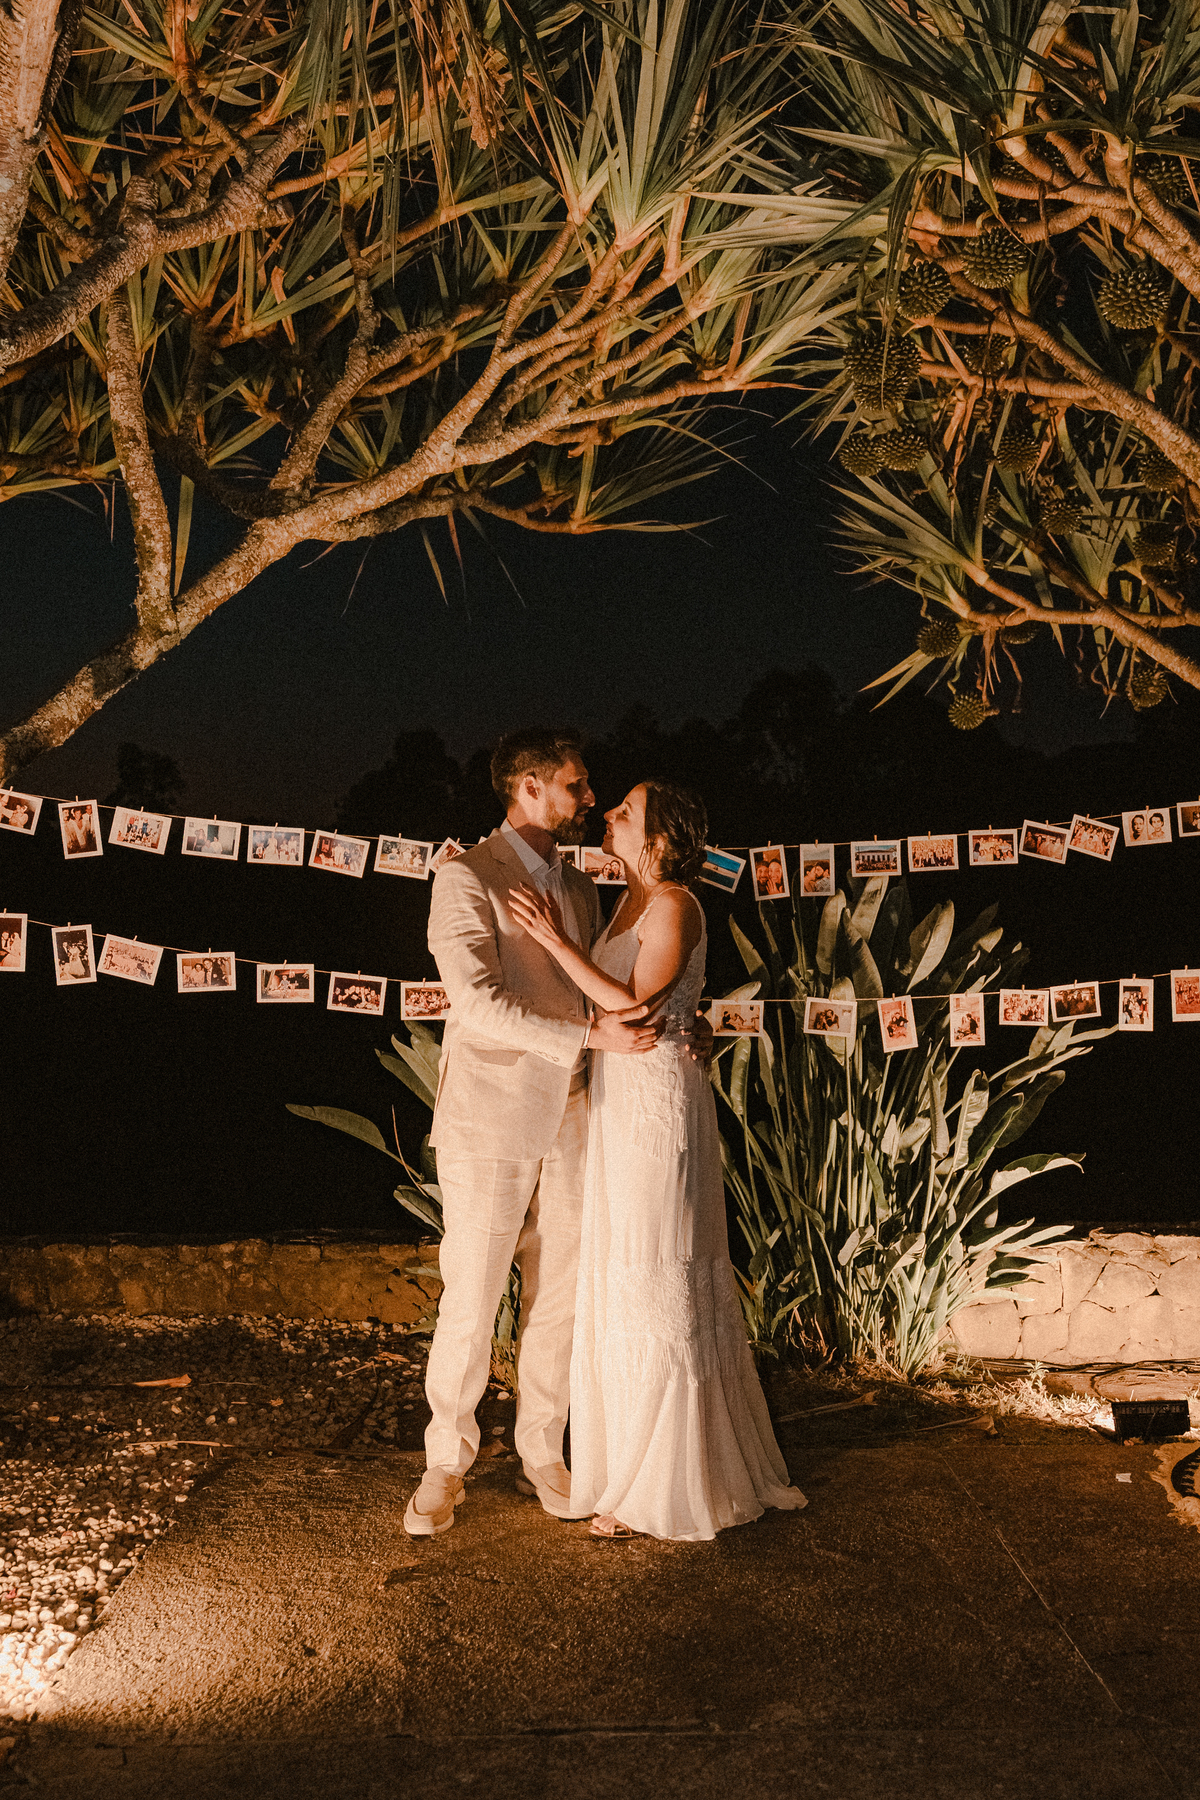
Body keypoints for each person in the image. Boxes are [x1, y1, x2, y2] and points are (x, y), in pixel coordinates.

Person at [404, 729, 691, 1539]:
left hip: (579, 1113)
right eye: (575, 784)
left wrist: (680, 1029)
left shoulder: (580, 886)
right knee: (472, 1292)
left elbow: (606, 987)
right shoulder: (466, 877)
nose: (589, 798)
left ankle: (542, 1450)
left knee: (558, 1293)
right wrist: (590, 1037)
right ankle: (445, 1462)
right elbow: (477, 1003)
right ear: (528, 788)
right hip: (491, 1114)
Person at [510, 779, 805, 1542]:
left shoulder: (676, 903)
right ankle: (622, 1464)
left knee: (655, 1267)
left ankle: (663, 1479)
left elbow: (635, 1004)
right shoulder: (627, 901)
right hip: (616, 1098)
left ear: (661, 838)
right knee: (621, 1270)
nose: (608, 815)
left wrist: (554, 942)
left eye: (626, 811)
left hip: (656, 1105)